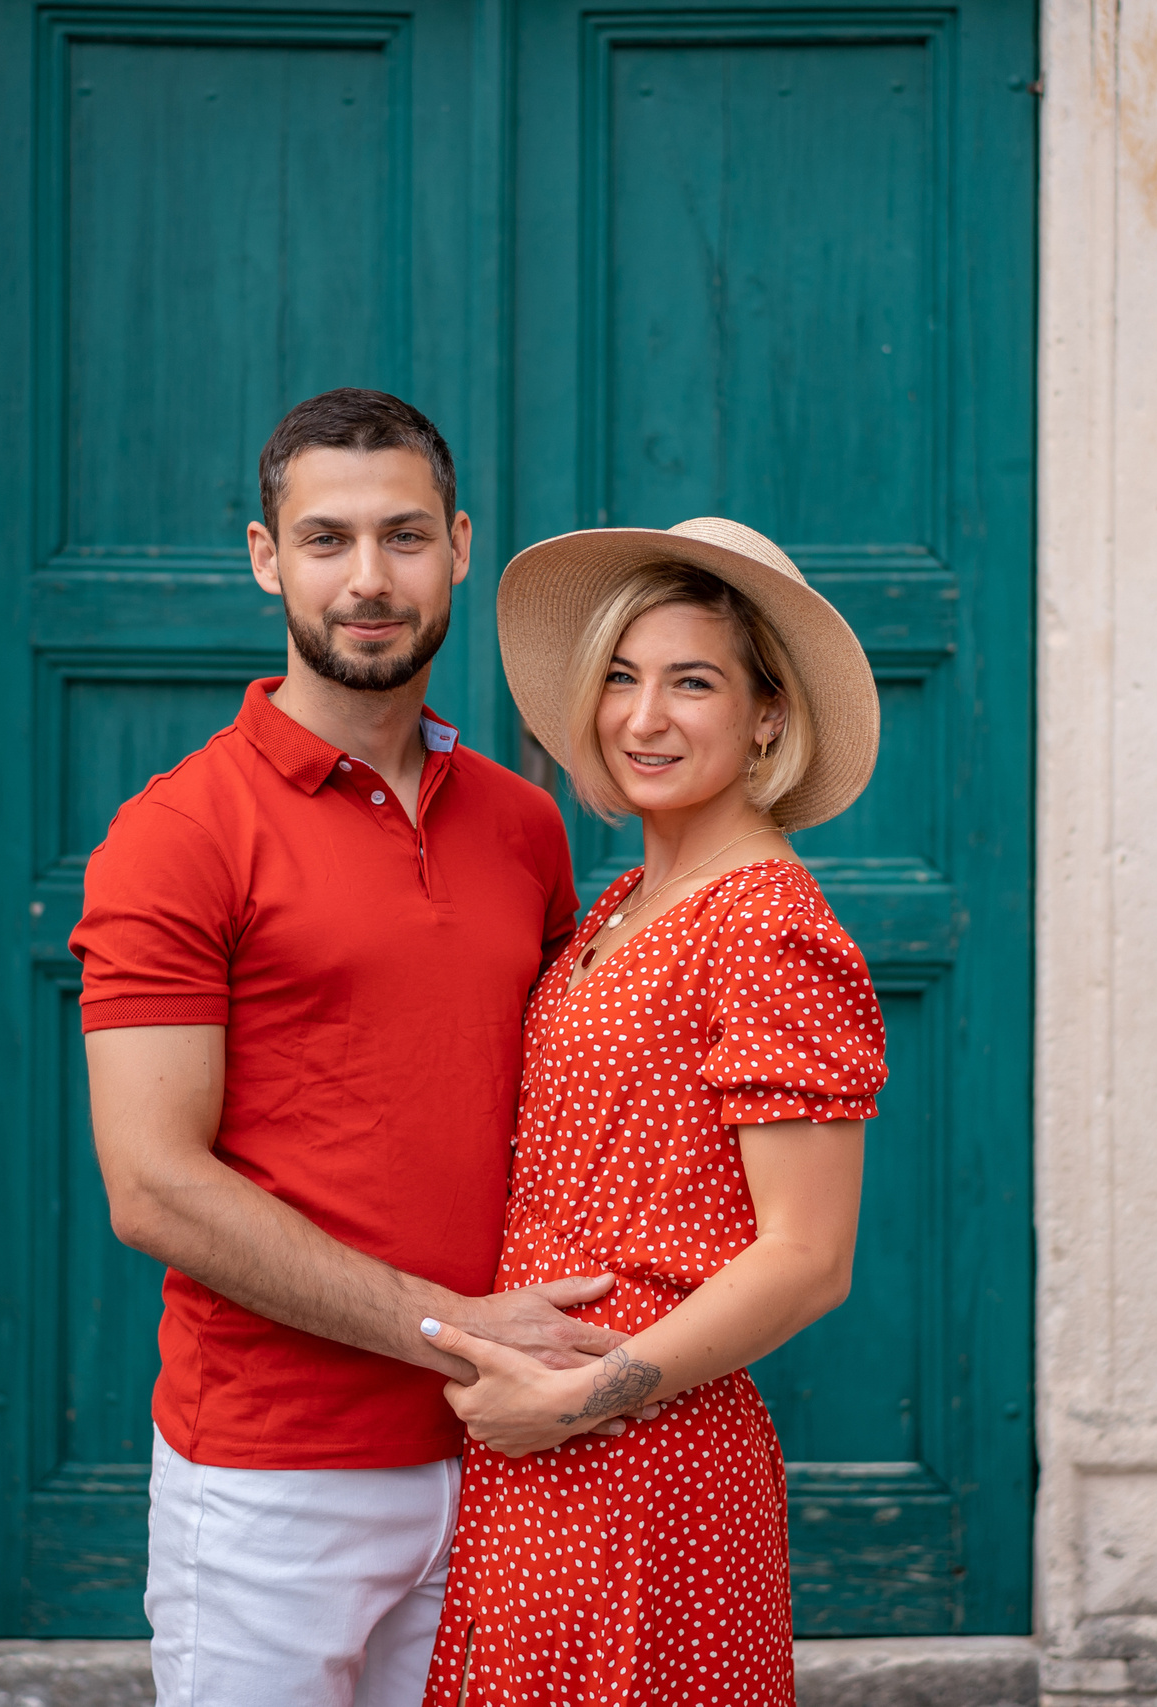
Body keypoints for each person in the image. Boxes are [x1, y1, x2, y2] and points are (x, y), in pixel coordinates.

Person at [71, 390, 640, 1706]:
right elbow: (152, 1182)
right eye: (325, 540)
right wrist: (453, 1329)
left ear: (459, 545)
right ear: (267, 558)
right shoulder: (179, 833)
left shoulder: (522, 825)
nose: (369, 578)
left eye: (402, 536)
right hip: (277, 1476)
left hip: (507, 1449)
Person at [415, 518, 889, 1706]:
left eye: (692, 682)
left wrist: (574, 1399)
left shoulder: (766, 923)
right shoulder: (624, 901)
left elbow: (807, 1257)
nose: (643, 717)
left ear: (768, 714)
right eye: (620, 678)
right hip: (540, 1461)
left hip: (646, 1460)